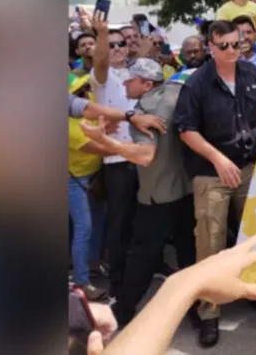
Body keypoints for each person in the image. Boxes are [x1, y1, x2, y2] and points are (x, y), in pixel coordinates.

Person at [79, 58, 197, 329]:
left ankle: (123, 311)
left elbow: (145, 156)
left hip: (157, 197)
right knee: (188, 254)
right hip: (188, 191)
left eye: (130, 80)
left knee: (141, 257)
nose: (124, 83)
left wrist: (105, 140)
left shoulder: (145, 110)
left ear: (146, 83)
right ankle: (198, 311)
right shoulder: (179, 92)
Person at [173, 20, 256, 347]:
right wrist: (218, 159)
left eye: (235, 45)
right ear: (210, 46)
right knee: (210, 245)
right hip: (212, 173)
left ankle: (255, 293)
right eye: (222, 46)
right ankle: (208, 313)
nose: (230, 51)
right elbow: (186, 130)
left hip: (247, 168)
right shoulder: (196, 84)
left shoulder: (250, 74)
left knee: (255, 234)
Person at [92, 234, 256, 355]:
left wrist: (186, 283)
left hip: (181, 192)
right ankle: (123, 308)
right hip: (164, 192)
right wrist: (187, 283)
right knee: (146, 247)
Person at [86, 9, 145, 299]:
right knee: (119, 225)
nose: (118, 48)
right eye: (113, 45)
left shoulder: (137, 72)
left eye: (122, 43)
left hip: (144, 157)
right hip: (117, 161)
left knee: (143, 221)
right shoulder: (101, 76)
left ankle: (141, 278)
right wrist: (101, 34)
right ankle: (118, 287)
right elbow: (99, 60)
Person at [68, 75, 109, 301]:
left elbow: (109, 124)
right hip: (74, 180)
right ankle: (82, 282)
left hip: (93, 175)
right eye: (80, 89)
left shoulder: (90, 100)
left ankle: (93, 262)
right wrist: (130, 150)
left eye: (85, 86)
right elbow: (100, 148)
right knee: (83, 228)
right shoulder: (68, 125)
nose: (86, 91)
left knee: (99, 220)